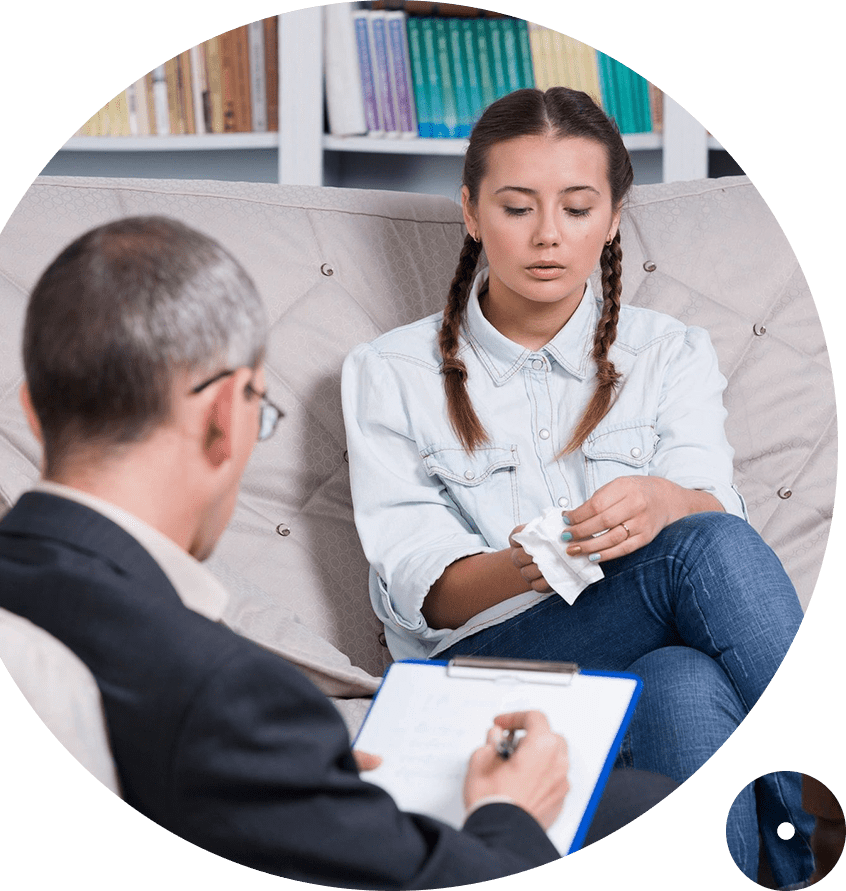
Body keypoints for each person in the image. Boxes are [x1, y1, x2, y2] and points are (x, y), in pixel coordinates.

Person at [0, 216, 677, 890]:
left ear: (33, 409)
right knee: (647, 806)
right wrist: (510, 809)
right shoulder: (230, 694)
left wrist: (295, 781)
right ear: (220, 417)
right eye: (260, 412)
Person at [341, 87, 812, 888]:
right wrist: (533, 558)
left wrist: (666, 502)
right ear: (470, 210)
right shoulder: (388, 373)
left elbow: (713, 517)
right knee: (698, 552)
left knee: (682, 678)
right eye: (517, 207)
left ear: (614, 215)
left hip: (645, 652)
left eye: (577, 206)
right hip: (484, 673)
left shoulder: (669, 352)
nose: (548, 236)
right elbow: (422, 594)